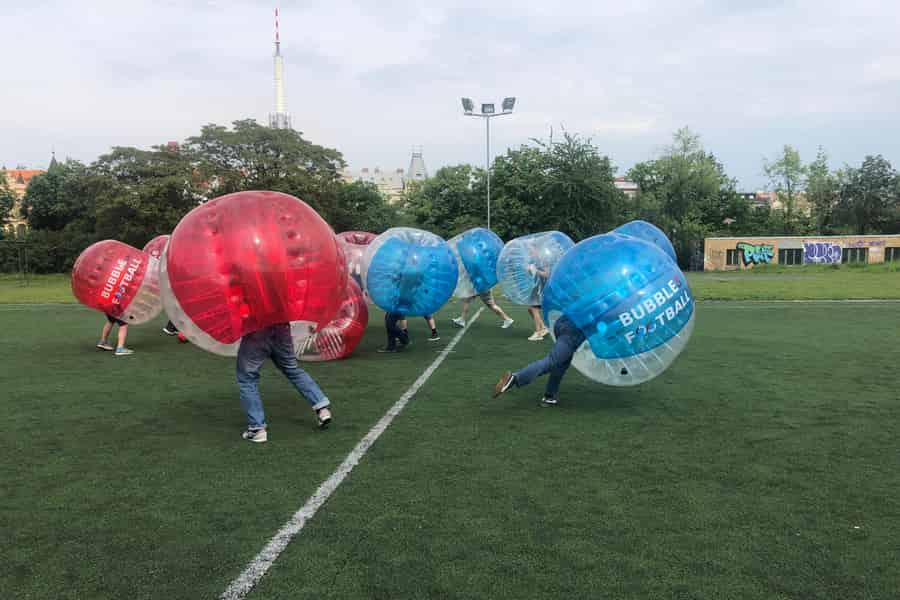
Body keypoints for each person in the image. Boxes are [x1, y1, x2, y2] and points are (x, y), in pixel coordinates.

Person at [236, 322, 332, 443]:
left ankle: (257, 429)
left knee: (247, 379)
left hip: (255, 331)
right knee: (292, 369)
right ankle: (322, 408)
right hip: (281, 328)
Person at [492, 314, 585, 406]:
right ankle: (514, 379)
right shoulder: (598, 307)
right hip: (574, 332)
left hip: (562, 323)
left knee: (561, 363)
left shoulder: (590, 300)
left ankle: (549, 396)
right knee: (552, 361)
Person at [526, 262, 550, 341]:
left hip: (542, 289)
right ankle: (543, 328)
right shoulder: (534, 261)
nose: (529, 250)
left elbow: (547, 275)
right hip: (537, 287)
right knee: (530, 309)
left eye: (531, 249)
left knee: (533, 309)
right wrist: (530, 271)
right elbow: (534, 275)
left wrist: (535, 270)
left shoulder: (544, 259)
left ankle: (538, 333)